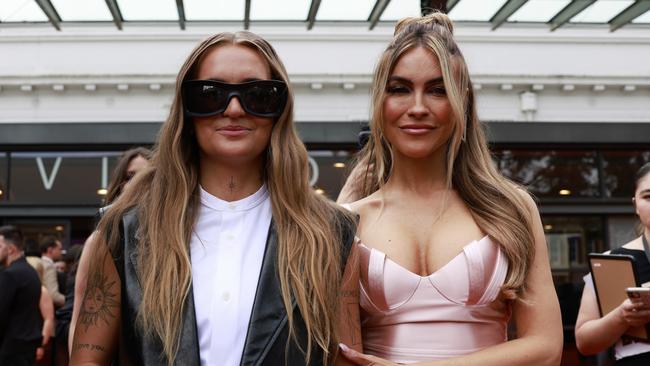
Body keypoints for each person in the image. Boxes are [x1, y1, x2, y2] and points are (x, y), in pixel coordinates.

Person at [70, 31, 359, 366]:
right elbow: (87, 360)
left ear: (279, 109)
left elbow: (347, 357)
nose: (234, 109)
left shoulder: (332, 231)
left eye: (258, 95)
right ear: (187, 110)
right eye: (210, 94)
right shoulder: (126, 230)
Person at [336, 13, 562, 365]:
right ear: (379, 102)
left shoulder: (511, 208)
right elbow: (341, 353)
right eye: (399, 89)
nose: (418, 108)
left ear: (463, 103)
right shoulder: (347, 220)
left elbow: (546, 348)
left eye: (438, 90)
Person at [68, 147, 152, 354]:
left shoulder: (175, 236)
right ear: (119, 184)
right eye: (130, 176)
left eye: (147, 176)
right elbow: (81, 314)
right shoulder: (102, 239)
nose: (137, 183)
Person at [575, 162, 650, 365]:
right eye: (648, 197)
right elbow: (584, 342)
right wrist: (621, 316)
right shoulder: (610, 262)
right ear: (635, 203)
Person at [0, 225, 44, 366]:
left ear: (11, 249)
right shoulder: (31, 271)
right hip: (27, 347)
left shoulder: (10, 274)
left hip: (11, 349)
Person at [40, 235, 65, 308]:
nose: (61, 252)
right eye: (59, 249)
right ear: (50, 250)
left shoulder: (40, 263)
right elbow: (53, 295)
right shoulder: (49, 267)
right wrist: (70, 302)